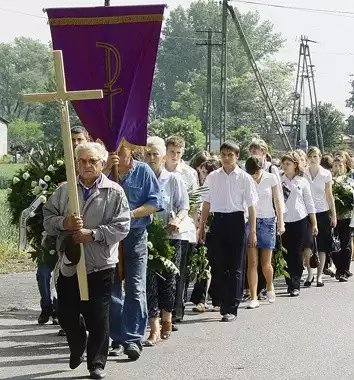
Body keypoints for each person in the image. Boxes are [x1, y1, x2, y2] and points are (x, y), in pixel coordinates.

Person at [43, 142, 130, 379]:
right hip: (70, 263)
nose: (87, 165)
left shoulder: (114, 192)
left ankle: (96, 363)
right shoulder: (64, 190)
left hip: (100, 263)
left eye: (92, 161)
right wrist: (65, 224)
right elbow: (47, 219)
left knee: (98, 316)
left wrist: (93, 234)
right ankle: (77, 342)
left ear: (102, 163)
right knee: (66, 313)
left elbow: (122, 227)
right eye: (82, 161)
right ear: (76, 164)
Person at [108, 141, 162, 361]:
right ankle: (117, 338)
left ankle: (133, 338)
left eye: (122, 146)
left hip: (136, 235)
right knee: (111, 288)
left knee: (136, 286)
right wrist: (105, 169)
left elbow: (155, 202)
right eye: (114, 146)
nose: (118, 151)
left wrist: (131, 214)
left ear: (130, 148)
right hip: (109, 237)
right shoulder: (105, 171)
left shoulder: (143, 170)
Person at [37, 126, 90, 331]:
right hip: (62, 233)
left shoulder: (93, 163)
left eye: (79, 139)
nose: (76, 143)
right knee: (60, 275)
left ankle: (85, 320)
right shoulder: (57, 167)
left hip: (90, 236)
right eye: (72, 139)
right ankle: (61, 313)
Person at [199, 141, 258, 322]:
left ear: (237, 156)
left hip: (236, 220)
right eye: (223, 155)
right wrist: (201, 226)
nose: (226, 158)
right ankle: (221, 299)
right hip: (218, 221)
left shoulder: (244, 178)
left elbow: (251, 206)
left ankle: (231, 307)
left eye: (230, 155)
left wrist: (253, 231)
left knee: (235, 266)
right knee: (218, 264)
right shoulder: (213, 177)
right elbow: (206, 203)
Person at [144, 136, 190, 346]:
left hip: (171, 236)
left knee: (168, 280)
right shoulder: (141, 178)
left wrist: (176, 219)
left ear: (163, 157)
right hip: (147, 236)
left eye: (155, 154)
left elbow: (184, 206)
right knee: (149, 282)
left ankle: (167, 318)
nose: (152, 157)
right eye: (148, 153)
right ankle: (153, 328)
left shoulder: (173, 179)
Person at [164, 135, 197, 324]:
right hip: (163, 227)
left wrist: (195, 227)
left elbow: (194, 203)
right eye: (171, 152)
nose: (175, 156)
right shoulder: (159, 171)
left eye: (178, 152)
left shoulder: (188, 173)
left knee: (179, 272)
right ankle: (163, 309)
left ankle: (177, 311)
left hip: (183, 229)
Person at [244, 156, 285, 309]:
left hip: (268, 221)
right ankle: (253, 296)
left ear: (261, 168)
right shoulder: (246, 179)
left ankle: (270, 285)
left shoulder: (271, 178)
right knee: (252, 262)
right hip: (250, 221)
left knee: (265, 263)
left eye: (256, 173)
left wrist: (281, 222)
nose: (254, 176)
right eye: (251, 174)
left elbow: (278, 200)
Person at [280, 151, 317, 297]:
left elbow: (309, 203)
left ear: (295, 165)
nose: (285, 166)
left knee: (296, 253)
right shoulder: (279, 180)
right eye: (283, 164)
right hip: (284, 221)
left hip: (300, 220)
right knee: (286, 253)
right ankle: (289, 281)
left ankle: (295, 283)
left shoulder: (302, 181)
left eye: (288, 164)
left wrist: (314, 223)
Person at [190, 159, 222, 313]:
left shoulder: (217, 188)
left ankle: (217, 299)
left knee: (216, 265)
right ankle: (200, 300)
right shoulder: (199, 188)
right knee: (202, 265)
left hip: (215, 229)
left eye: (204, 172)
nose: (202, 175)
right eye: (201, 172)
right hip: (201, 230)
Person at [303, 147, 337, 287]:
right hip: (306, 212)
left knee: (322, 245)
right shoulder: (303, 173)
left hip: (322, 211)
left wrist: (333, 215)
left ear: (320, 157)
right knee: (308, 245)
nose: (313, 158)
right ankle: (310, 274)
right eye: (310, 156)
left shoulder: (326, 174)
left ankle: (319, 276)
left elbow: (329, 195)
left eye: (316, 156)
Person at [331, 156, 353, 282]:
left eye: (340, 165)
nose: (338, 168)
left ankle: (344, 270)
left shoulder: (349, 180)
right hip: (332, 216)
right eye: (335, 165)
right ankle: (339, 268)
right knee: (333, 243)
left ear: (345, 166)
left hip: (346, 215)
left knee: (346, 243)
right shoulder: (329, 179)